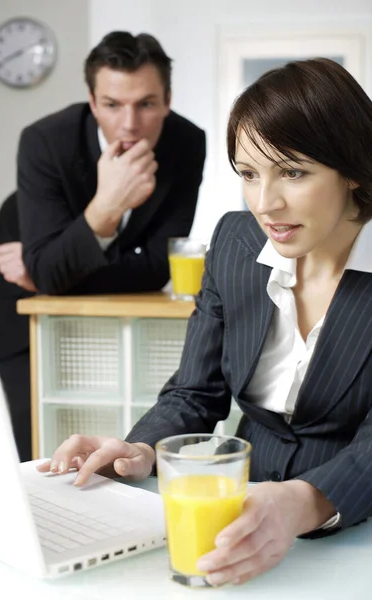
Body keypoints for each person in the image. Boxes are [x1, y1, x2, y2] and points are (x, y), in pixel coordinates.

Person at [38, 57, 372, 585]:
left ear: (353, 166)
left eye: (294, 171)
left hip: (356, 527)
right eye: (249, 174)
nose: (267, 204)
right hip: (236, 523)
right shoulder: (237, 245)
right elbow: (195, 392)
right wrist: (140, 450)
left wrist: (303, 502)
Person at [0, 31, 206, 461]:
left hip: (74, 302)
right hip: (9, 308)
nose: (130, 124)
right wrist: (105, 208)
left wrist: (52, 272)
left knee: (101, 436)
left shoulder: (187, 143)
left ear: (168, 99)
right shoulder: (45, 141)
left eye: (147, 103)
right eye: (112, 104)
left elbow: (160, 265)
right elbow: (49, 273)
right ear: (92, 100)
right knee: (30, 453)